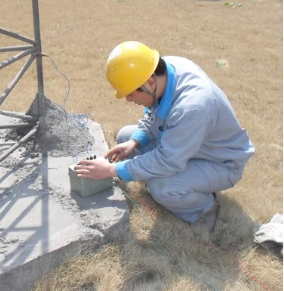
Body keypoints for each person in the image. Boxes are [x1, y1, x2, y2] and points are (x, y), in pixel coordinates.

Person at [74, 41, 255, 231]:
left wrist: (112, 171)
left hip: (220, 162)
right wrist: (135, 142)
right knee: (125, 136)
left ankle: (204, 209)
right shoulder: (162, 71)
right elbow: (153, 114)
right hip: (188, 144)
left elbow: (167, 161)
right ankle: (177, 178)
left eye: (130, 94)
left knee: (160, 186)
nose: (128, 99)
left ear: (150, 84)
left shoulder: (192, 106)